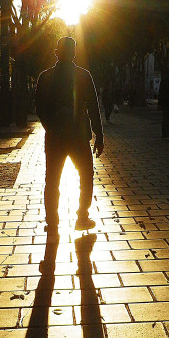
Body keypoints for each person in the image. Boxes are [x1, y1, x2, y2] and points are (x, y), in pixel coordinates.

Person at [36, 36, 104, 233]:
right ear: (74, 53)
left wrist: (51, 126)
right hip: (78, 136)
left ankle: (52, 221)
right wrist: (98, 135)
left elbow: (39, 108)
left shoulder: (45, 77)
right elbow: (93, 107)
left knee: (53, 179)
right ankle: (82, 215)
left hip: (56, 137)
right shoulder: (83, 75)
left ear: (56, 52)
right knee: (85, 175)